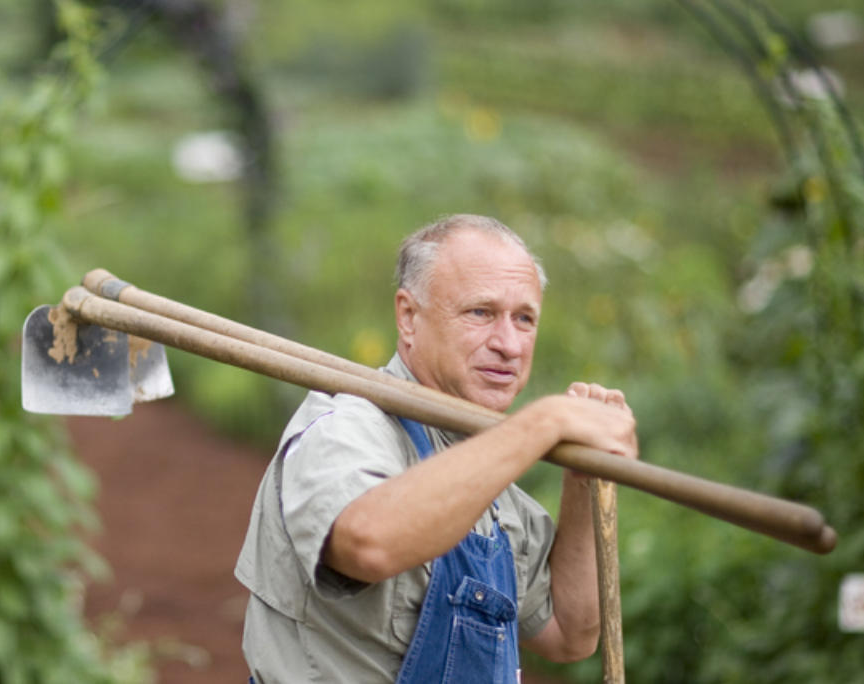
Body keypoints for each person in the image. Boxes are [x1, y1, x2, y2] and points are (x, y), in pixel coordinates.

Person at [236, 214, 639, 683]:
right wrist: (541, 423)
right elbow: (369, 543)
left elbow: (568, 632)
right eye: (480, 313)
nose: (508, 344)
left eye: (524, 319)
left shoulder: (481, 466)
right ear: (408, 316)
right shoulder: (346, 426)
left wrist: (582, 479)